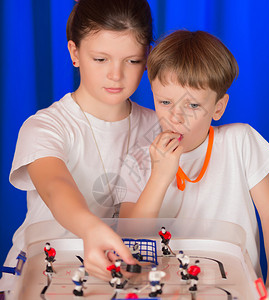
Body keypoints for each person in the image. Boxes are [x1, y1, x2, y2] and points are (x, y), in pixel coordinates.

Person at [117, 30, 269, 298]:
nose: (175, 117)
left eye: (192, 105)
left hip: (236, 289)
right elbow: (130, 239)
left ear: (218, 107)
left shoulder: (240, 141)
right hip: (166, 291)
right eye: (164, 102)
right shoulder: (138, 159)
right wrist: (159, 177)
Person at [0, 0, 159, 292]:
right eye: (100, 59)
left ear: (148, 56)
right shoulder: (45, 126)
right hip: (44, 273)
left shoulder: (159, 127)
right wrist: (90, 229)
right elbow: (55, 185)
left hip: (119, 276)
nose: (115, 74)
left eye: (132, 60)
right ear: (74, 52)